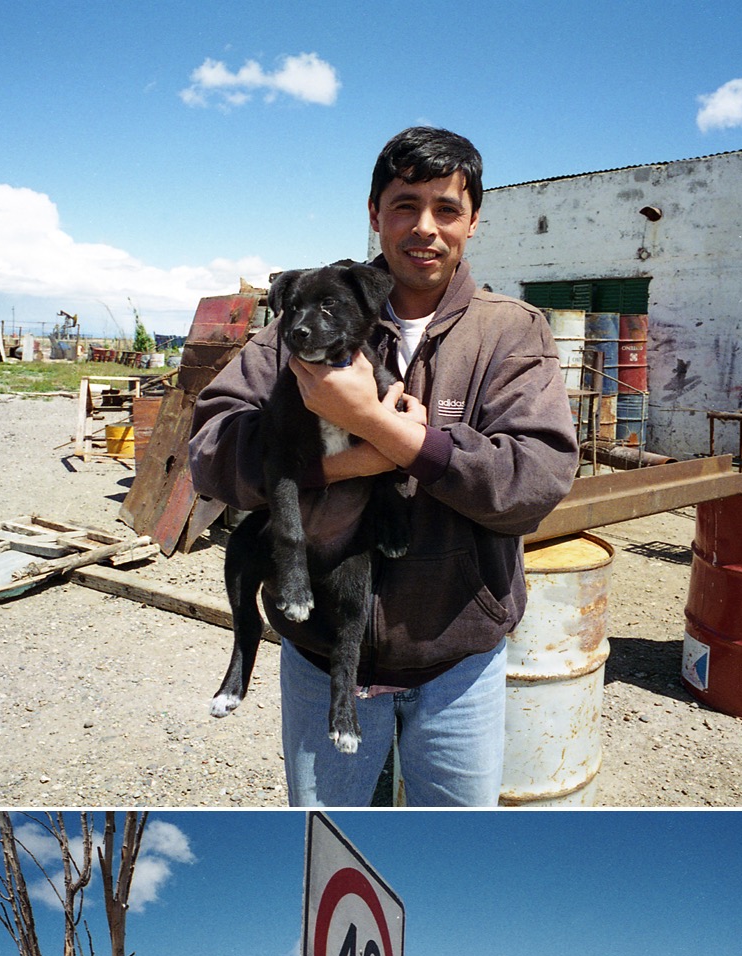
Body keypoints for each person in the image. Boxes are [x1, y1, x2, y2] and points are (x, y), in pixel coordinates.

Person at [189, 126, 578, 806]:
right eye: (404, 206)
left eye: (446, 208)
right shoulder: (303, 323)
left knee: (451, 863)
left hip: (457, 663)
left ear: (473, 220)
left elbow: (531, 484)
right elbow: (210, 451)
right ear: (374, 214)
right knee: (328, 843)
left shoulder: (511, 332)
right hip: (318, 658)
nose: (425, 227)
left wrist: (379, 429)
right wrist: (340, 462)